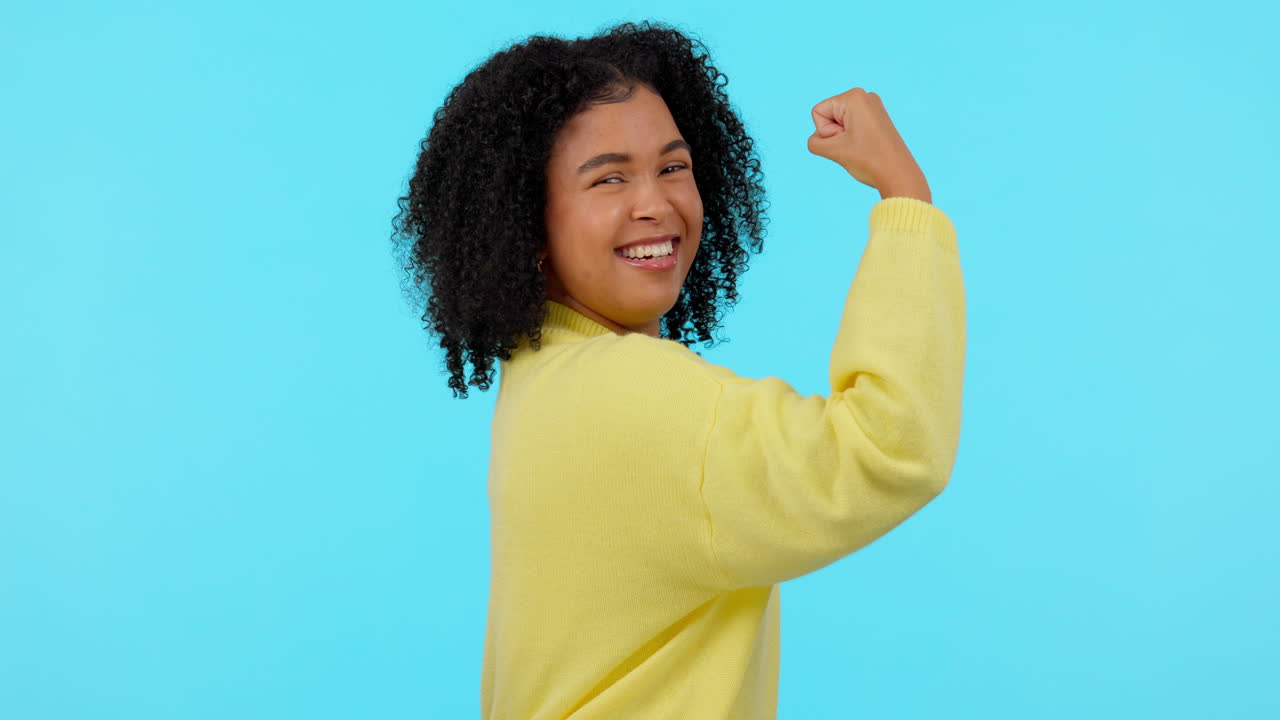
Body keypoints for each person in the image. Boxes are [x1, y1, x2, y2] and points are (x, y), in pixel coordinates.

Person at [391, 19, 964, 720]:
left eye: (672, 167)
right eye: (608, 179)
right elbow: (890, 447)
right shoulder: (628, 396)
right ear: (529, 224)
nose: (654, 205)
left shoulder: (547, 376)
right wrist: (905, 196)